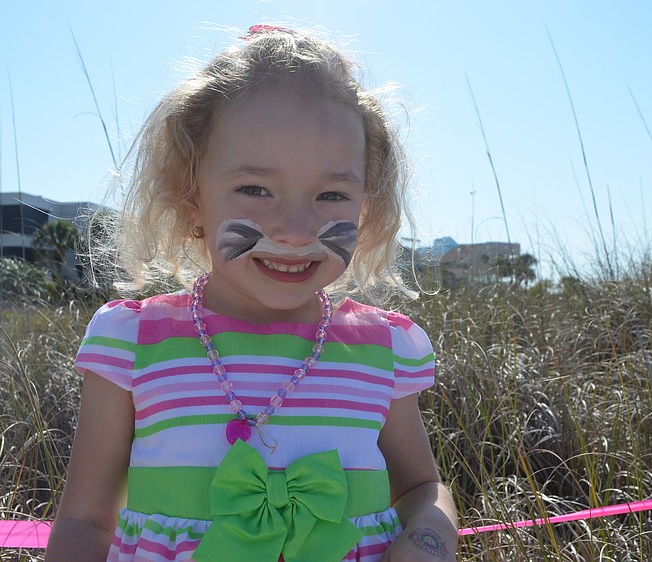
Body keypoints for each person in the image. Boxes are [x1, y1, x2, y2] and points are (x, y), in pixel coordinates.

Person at [46, 24, 458, 562]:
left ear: (367, 201)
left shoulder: (383, 348)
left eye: (331, 194)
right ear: (190, 195)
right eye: (254, 189)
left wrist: (428, 541)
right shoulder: (132, 342)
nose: (294, 228)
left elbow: (423, 490)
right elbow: (83, 519)